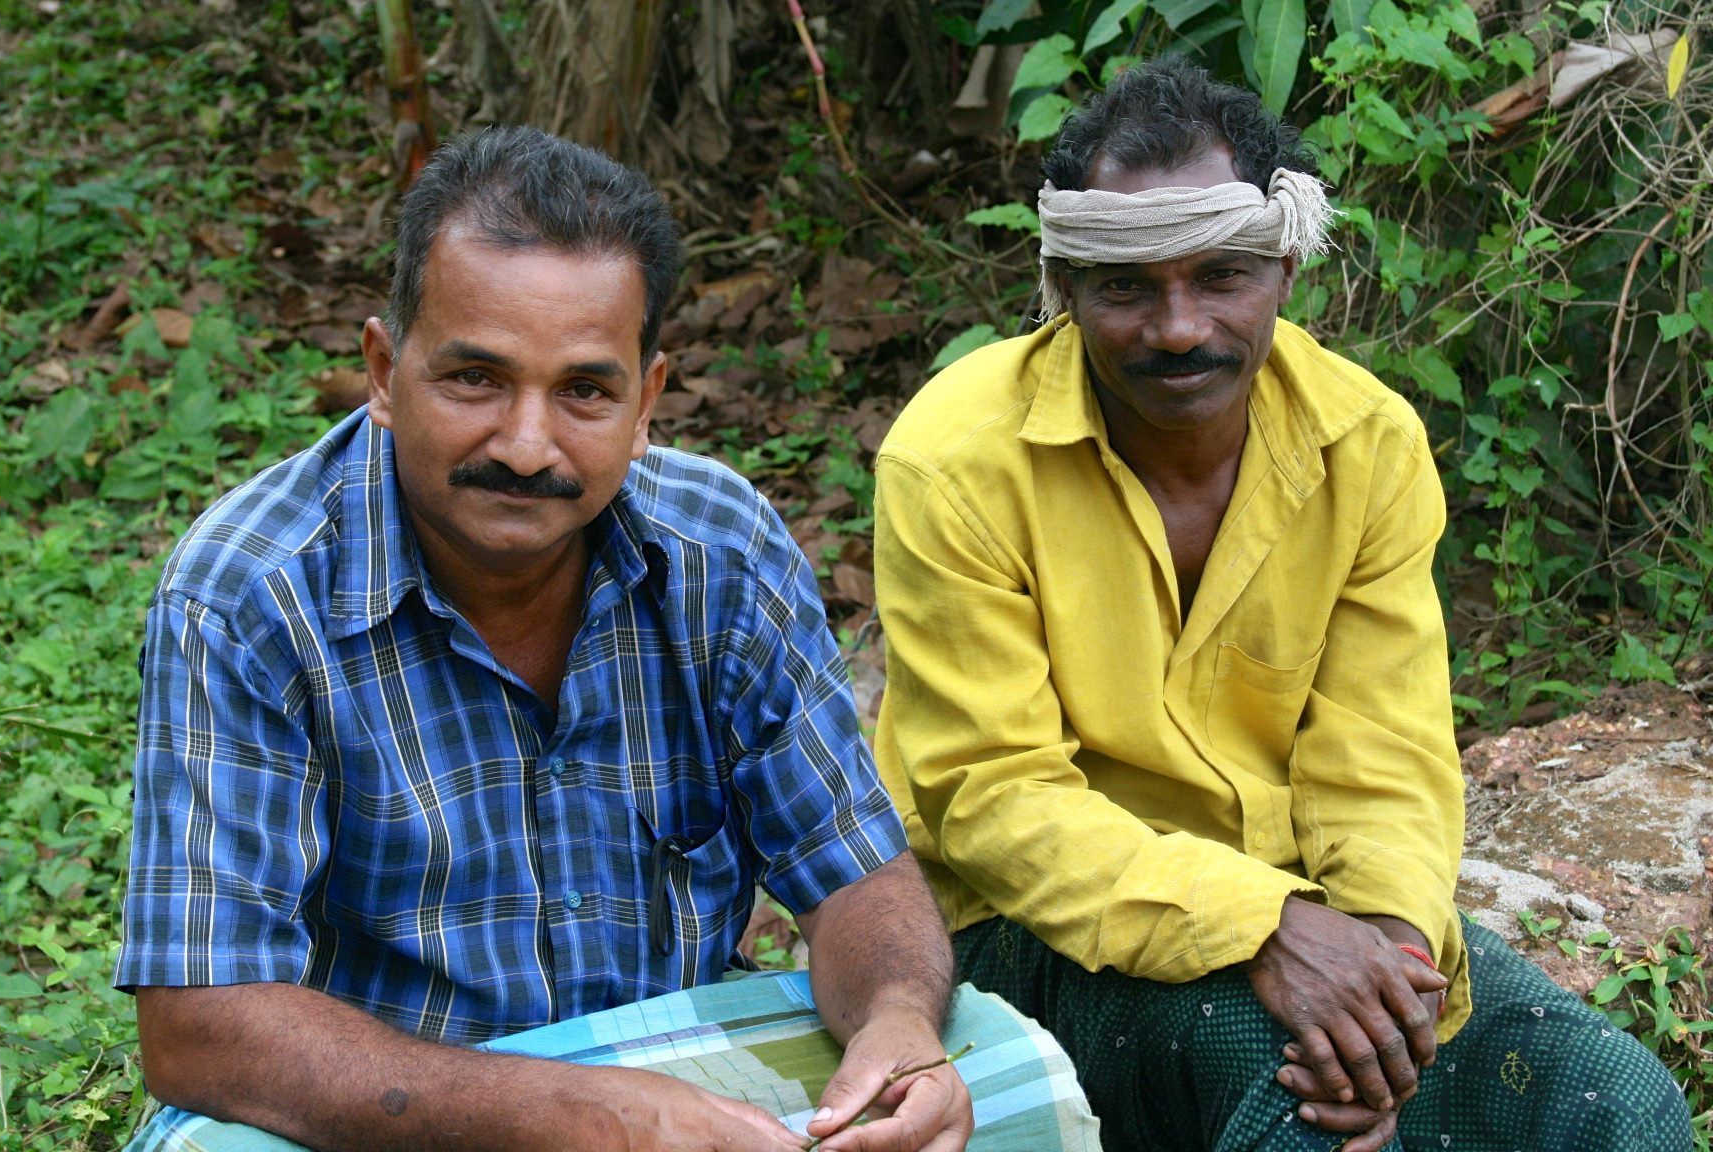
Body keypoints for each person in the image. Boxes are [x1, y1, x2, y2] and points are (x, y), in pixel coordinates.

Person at [115, 126, 1099, 1152]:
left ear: (646, 402)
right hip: (382, 1101)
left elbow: (852, 870)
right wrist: (579, 1117)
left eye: (585, 390)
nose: (527, 444)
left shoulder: (719, 546)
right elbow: (200, 1030)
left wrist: (896, 1028)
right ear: (380, 370)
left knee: (983, 1077)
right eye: (475, 380)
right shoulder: (249, 592)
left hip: (663, 1077)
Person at [871, 57, 1692, 1152]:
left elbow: (1384, 755)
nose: (1177, 327)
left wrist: (1390, 966)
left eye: (1222, 275)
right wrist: (1267, 931)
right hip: (1025, 927)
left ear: (1289, 263)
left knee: (1615, 1101)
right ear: (1064, 286)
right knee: (1294, 1099)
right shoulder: (956, 460)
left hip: (1310, 907)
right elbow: (997, 801)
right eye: (1126, 286)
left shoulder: (1367, 445)